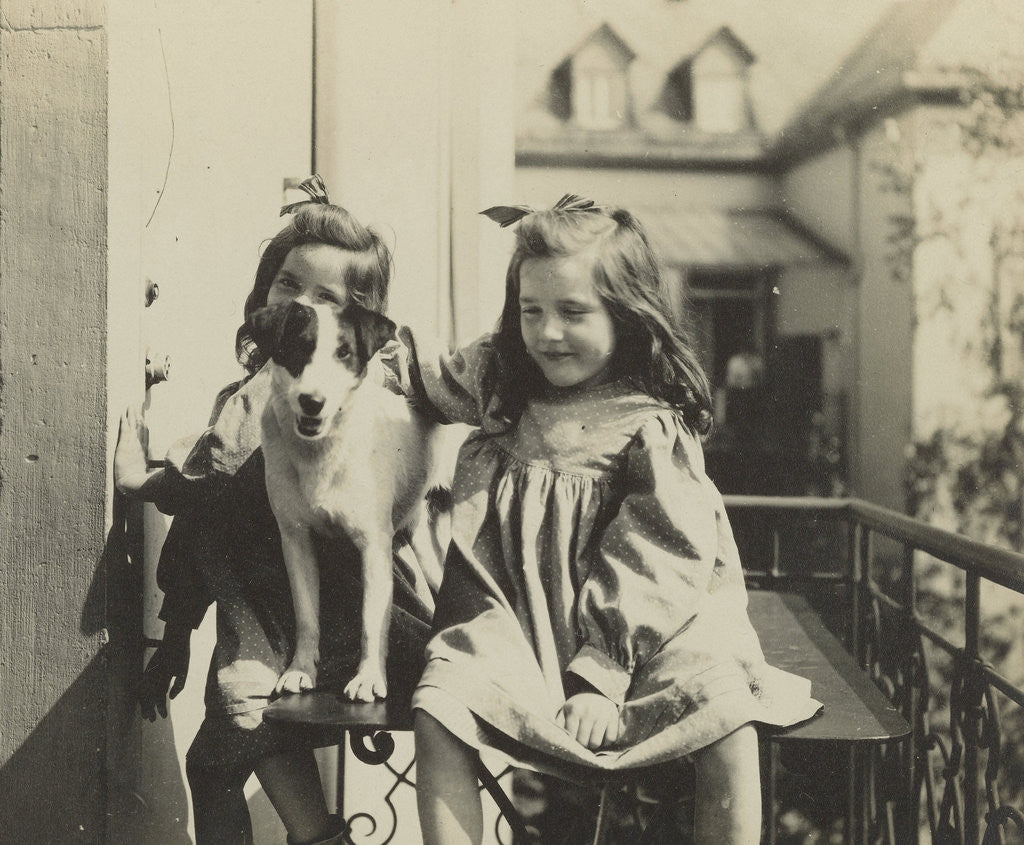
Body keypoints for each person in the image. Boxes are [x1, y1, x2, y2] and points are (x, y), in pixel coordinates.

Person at [385, 196, 822, 844]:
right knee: (443, 698)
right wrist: (358, 360)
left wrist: (602, 669)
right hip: (516, 608)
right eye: (531, 310)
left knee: (725, 709)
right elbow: (427, 377)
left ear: (624, 313)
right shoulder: (505, 377)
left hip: (645, 623)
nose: (547, 332)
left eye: (572, 312)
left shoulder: (647, 418)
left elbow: (661, 553)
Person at [113, 176, 434, 845]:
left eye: (326, 297)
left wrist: (145, 481)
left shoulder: (297, 398)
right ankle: (319, 834)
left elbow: (214, 479)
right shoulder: (261, 389)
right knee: (249, 746)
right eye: (287, 284)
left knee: (215, 761)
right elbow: (209, 522)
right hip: (271, 622)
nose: (299, 306)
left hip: (329, 621)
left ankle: (319, 835)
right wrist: (176, 632)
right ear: (263, 291)